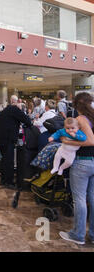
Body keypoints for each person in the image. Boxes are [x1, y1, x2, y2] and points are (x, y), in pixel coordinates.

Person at [59, 92, 94, 245]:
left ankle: (78, 234)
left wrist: (68, 141)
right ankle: (92, 234)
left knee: (79, 199)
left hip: (82, 162)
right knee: (92, 198)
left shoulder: (81, 119)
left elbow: (91, 141)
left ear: (76, 104)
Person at [0, 95, 32, 189]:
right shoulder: (15, 110)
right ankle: (9, 182)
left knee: (4, 159)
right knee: (9, 160)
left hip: (1, 137)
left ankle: (3, 180)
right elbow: (27, 120)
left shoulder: (6, 110)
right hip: (8, 138)